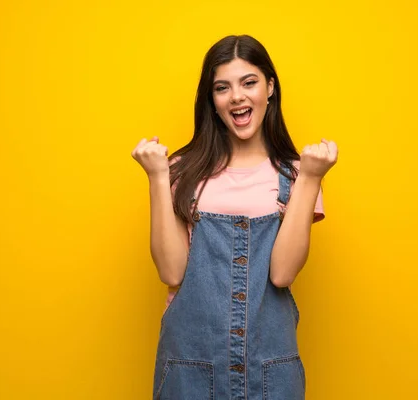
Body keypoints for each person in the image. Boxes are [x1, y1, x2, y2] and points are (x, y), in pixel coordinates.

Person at [132, 34, 338, 400]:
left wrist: (310, 178)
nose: (237, 97)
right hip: (189, 370)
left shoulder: (297, 175)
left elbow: (282, 273)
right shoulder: (182, 171)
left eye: (249, 82)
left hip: (270, 373)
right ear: (212, 101)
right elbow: (171, 272)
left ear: (270, 87)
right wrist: (157, 178)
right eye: (222, 88)